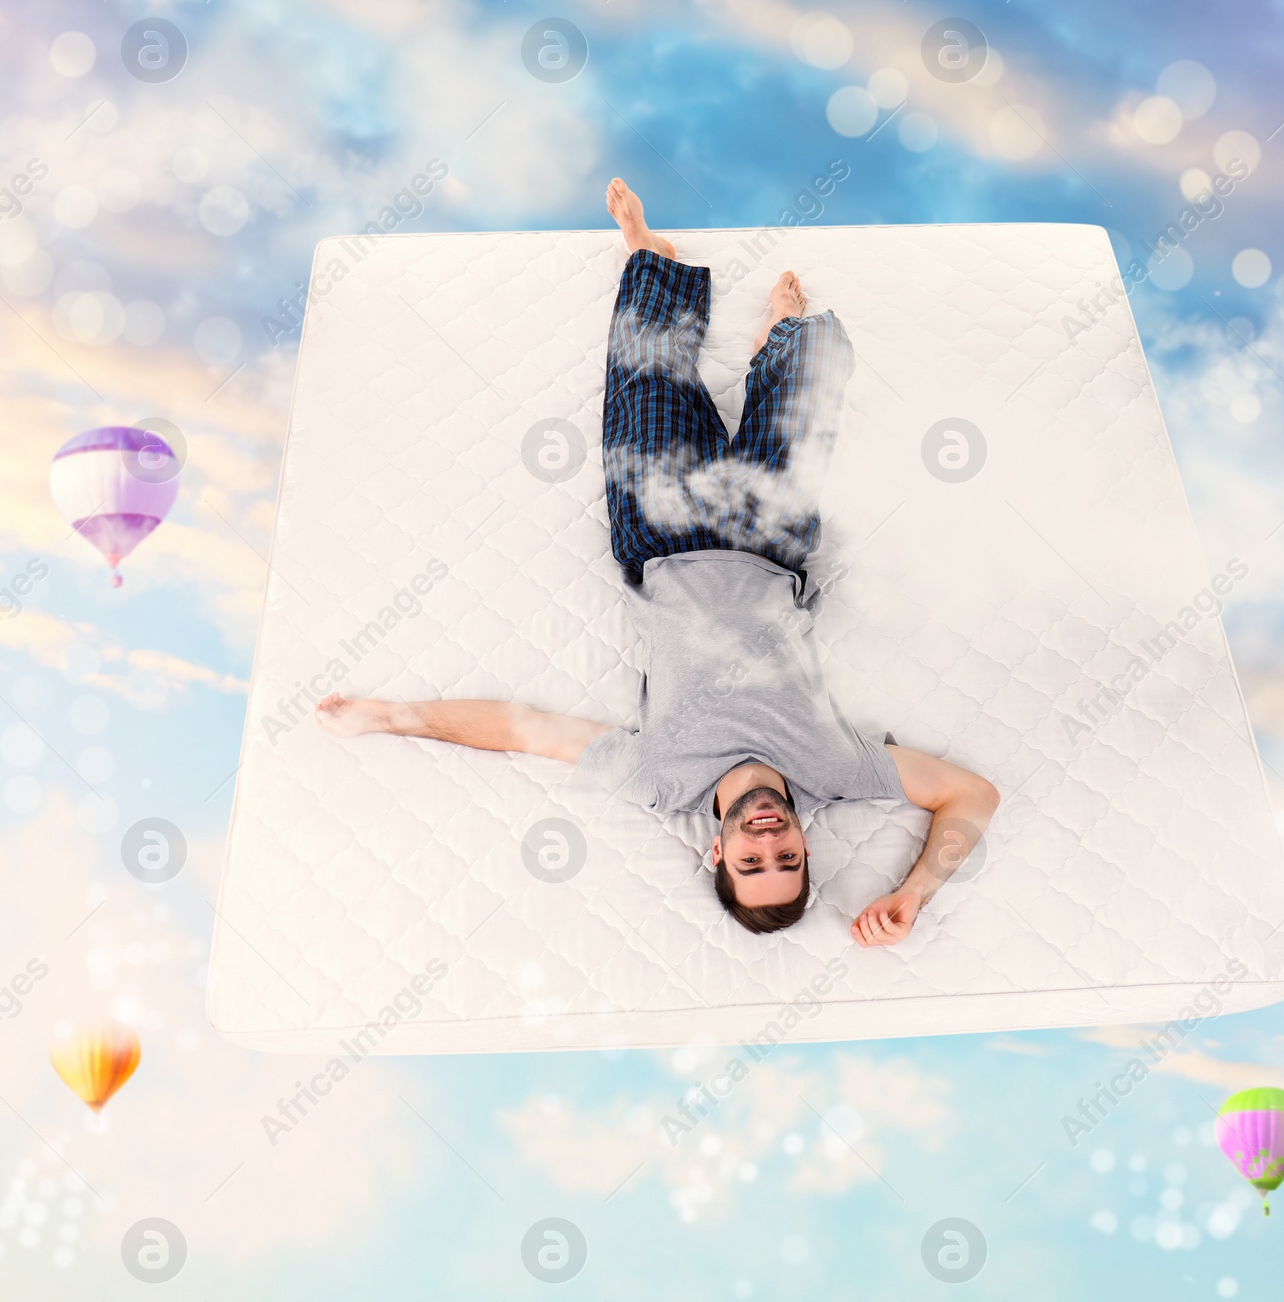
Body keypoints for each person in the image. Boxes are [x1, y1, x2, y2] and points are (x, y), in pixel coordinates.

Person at [317, 178, 999, 947]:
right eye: (786, 857)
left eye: (752, 860)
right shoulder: (836, 772)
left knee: (646, 374)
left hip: (662, 539)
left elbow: (521, 730)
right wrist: (915, 895)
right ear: (808, 847)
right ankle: (778, 344)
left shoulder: (659, 779)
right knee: (819, 361)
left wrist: (384, 718)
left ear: (717, 852)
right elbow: (972, 796)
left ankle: (651, 254)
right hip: (773, 543)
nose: (767, 839)